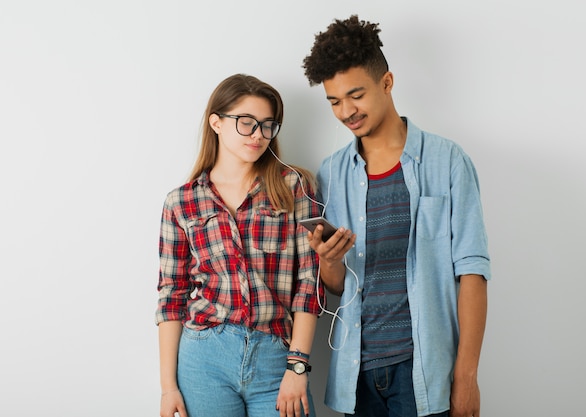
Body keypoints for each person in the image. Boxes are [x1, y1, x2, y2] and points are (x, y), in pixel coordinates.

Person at [302, 15, 491, 417]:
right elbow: (337, 286)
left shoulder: (447, 161)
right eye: (334, 101)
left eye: (356, 95)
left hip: (424, 371)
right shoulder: (332, 173)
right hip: (358, 376)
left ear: (386, 83)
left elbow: (472, 273)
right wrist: (328, 259)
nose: (346, 111)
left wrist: (467, 376)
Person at [155, 74, 324, 417]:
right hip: (204, 358)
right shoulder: (182, 202)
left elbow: (310, 283)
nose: (258, 135)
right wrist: (168, 387)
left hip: (276, 355)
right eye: (246, 123)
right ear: (215, 122)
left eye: (267, 125)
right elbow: (171, 295)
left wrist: (298, 367)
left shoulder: (295, 186)